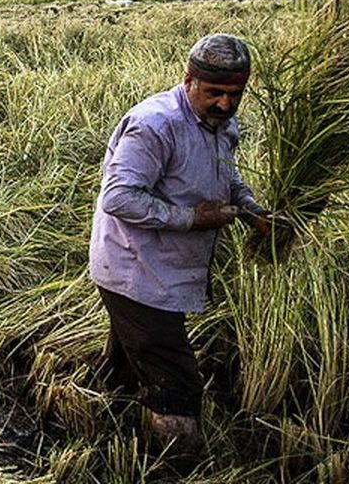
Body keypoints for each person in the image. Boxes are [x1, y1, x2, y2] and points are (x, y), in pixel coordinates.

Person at [89, 33, 269, 457]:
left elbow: (227, 174)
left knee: (128, 365)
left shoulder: (223, 124)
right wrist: (192, 218)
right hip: (135, 270)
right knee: (177, 382)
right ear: (188, 80)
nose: (225, 104)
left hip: (169, 269)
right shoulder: (154, 125)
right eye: (214, 93)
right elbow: (118, 197)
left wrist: (249, 207)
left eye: (235, 94)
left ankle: (92, 419)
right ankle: (174, 463)